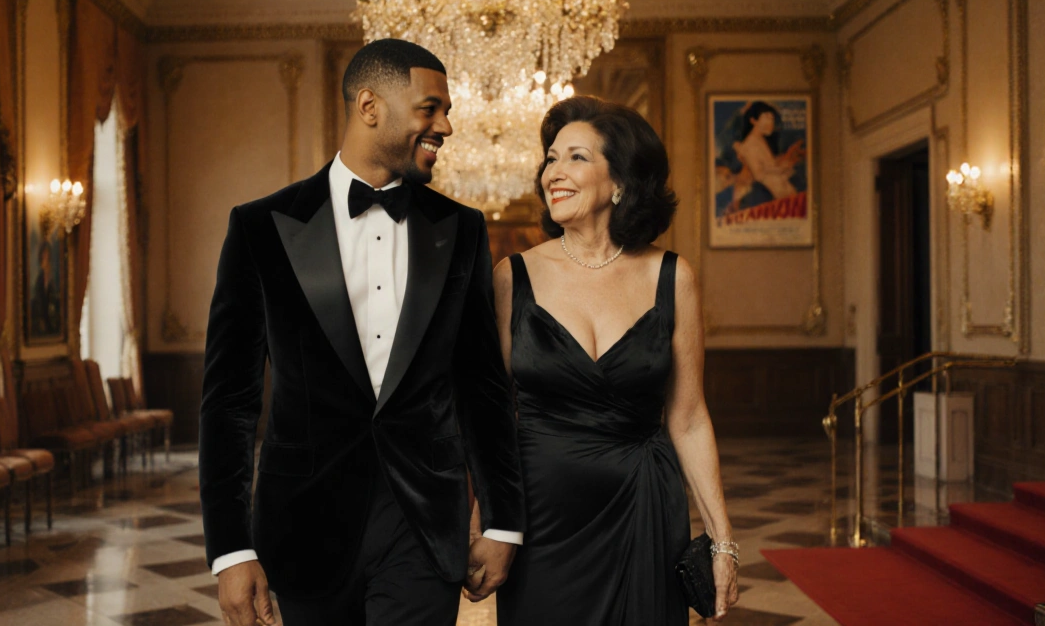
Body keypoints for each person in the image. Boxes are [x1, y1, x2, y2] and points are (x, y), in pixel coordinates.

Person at [199, 38, 526, 626]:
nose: (446, 126)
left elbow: (484, 388)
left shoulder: (463, 230)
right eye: (432, 108)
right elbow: (229, 402)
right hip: (302, 528)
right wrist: (230, 548)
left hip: (423, 527)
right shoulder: (259, 227)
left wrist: (503, 520)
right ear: (370, 106)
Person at [484, 96, 739, 624]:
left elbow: (688, 418)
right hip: (541, 518)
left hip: (644, 507)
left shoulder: (672, 277)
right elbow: (491, 416)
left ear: (620, 180)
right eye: (550, 158)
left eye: (575, 157)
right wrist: (484, 524)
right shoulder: (513, 277)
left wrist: (723, 542)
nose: (553, 171)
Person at [732, 101, 805, 201]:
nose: (771, 123)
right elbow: (758, 175)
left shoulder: (761, 140)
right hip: (775, 196)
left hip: (785, 192)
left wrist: (785, 163)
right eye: (767, 118)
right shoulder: (750, 145)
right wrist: (780, 168)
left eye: (772, 119)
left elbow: (768, 165)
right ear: (753, 120)